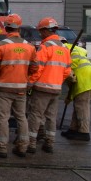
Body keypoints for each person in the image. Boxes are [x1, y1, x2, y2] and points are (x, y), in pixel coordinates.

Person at [0, 14, 38, 158]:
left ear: (6, 27)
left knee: (3, 118)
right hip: (21, 88)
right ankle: (22, 147)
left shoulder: (1, 46)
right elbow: (35, 68)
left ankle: (2, 148)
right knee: (21, 117)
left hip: (3, 88)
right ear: (19, 28)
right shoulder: (29, 46)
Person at [26, 17, 72, 154]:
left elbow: (37, 68)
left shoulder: (45, 47)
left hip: (42, 88)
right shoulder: (64, 48)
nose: (40, 34)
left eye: (41, 31)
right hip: (56, 88)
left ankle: (32, 144)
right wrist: (57, 82)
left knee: (35, 116)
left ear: (46, 31)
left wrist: (30, 83)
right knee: (51, 117)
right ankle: (49, 143)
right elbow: (67, 71)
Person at [61, 38, 91, 142]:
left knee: (82, 107)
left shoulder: (65, 50)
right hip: (88, 76)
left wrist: (68, 96)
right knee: (78, 105)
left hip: (84, 79)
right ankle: (74, 129)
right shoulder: (75, 49)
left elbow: (70, 73)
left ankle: (84, 132)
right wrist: (69, 97)